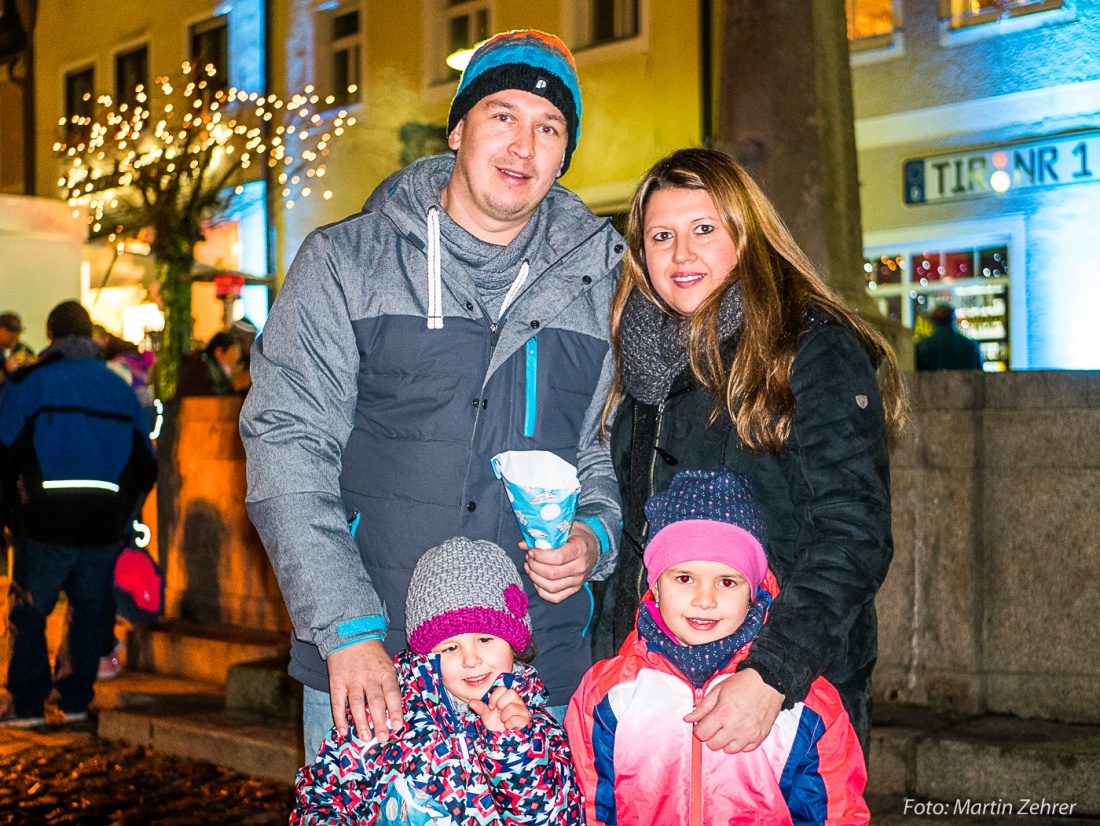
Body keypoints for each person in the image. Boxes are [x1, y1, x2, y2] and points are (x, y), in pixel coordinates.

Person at [240, 29, 622, 760]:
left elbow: (598, 452)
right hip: (376, 662)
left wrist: (593, 537)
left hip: (538, 668)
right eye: (502, 115)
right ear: (458, 128)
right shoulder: (345, 263)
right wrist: (346, 628)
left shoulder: (600, 283)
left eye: (549, 128)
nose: (523, 145)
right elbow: (288, 447)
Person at [597, 148, 907, 759]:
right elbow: (639, 540)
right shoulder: (639, 360)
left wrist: (771, 675)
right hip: (656, 691)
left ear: (746, 236)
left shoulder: (811, 348)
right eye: (662, 236)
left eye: (704, 230)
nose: (682, 254)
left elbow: (853, 533)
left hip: (783, 697)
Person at [568, 469, 869, 825]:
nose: (705, 599)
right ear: (657, 586)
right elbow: (586, 802)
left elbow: (836, 810)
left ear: (753, 592)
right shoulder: (607, 693)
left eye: (727, 581)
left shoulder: (808, 704)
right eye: (684, 578)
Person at [293, 537, 583, 826]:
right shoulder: (383, 718)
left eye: (484, 639)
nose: (470, 660)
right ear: (427, 655)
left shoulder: (537, 726)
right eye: (450, 648)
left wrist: (512, 746)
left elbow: (555, 817)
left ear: (513, 642)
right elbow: (325, 798)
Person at [0, 301, 156, 726]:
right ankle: (73, 703)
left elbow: (4, 450)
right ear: (91, 337)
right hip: (102, 524)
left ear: (51, 335)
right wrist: (123, 518)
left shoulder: (29, 382)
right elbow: (146, 466)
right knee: (88, 612)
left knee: (30, 613)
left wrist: (10, 513)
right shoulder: (119, 388)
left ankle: (28, 705)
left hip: (43, 520)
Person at [914, 303, 983, 371]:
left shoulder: (922, 346)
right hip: (963, 381)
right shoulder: (969, 345)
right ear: (953, 319)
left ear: (932, 321)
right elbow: (980, 374)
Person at [177, 330, 244, 396]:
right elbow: (213, 397)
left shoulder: (207, 367)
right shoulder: (201, 368)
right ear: (219, 352)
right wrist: (233, 382)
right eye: (234, 350)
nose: (238, 356)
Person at [0, 311, 34, 380]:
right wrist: (5, 370)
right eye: (10, 331)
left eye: (17, 332)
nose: (14, 335)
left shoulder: (24, 350)